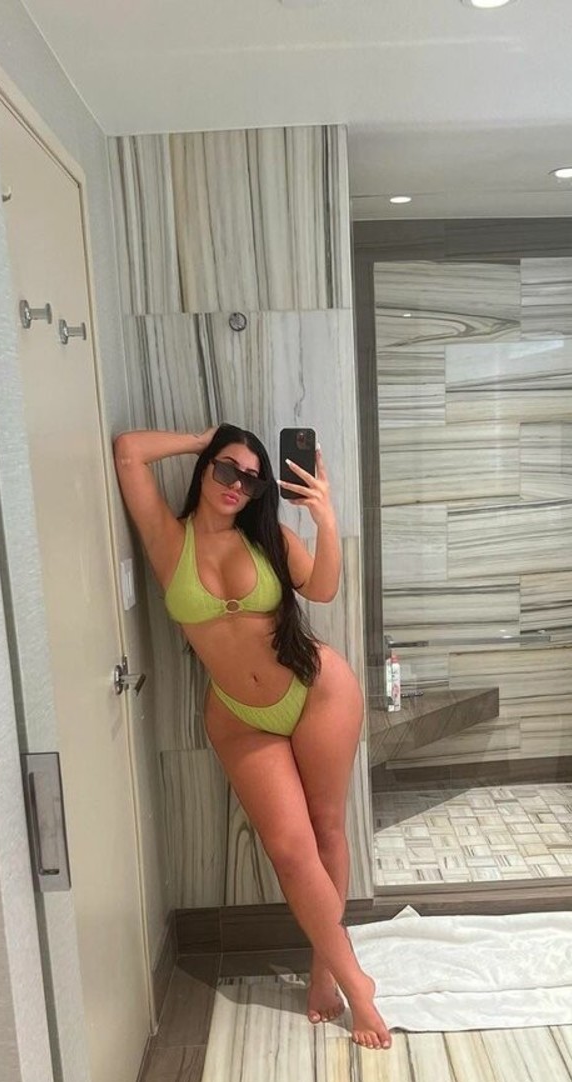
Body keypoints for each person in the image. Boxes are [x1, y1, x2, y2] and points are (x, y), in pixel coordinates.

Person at [113, 422, 392, 1049]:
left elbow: (324, 588)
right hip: (238, 715)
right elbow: (128, 452)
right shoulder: (168, 540)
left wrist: (324, 516)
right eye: (226, 470)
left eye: (251, 479)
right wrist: (206, 437)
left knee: (326, 830)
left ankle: (330, 973)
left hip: (316, 690)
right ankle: (357, 978)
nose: (237, 485)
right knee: (290, 850)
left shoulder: (268, 538)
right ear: (206, 468)